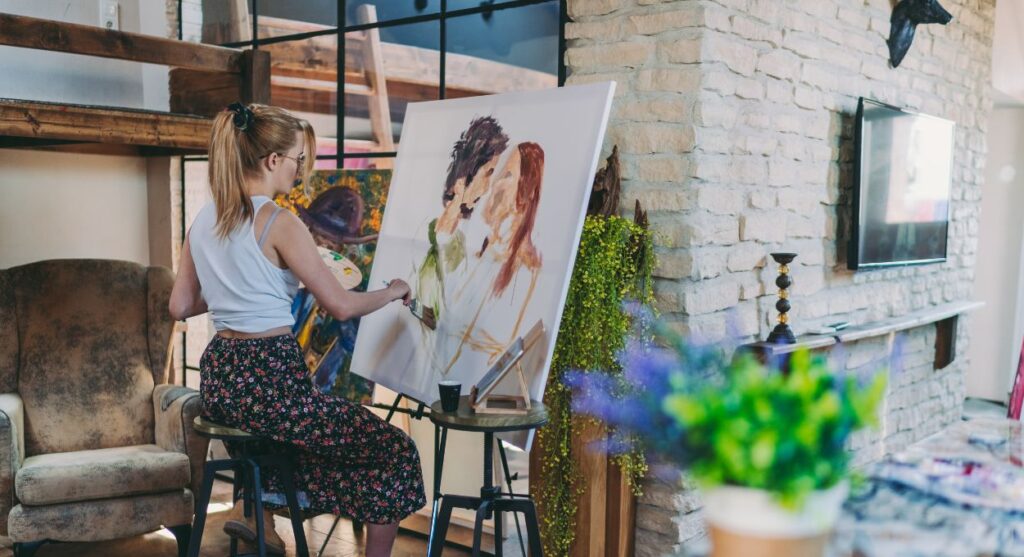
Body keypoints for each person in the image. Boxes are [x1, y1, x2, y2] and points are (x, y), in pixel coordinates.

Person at [169, 103, 425, 557]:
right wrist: (392, 291)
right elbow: (343, 306)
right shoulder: (279, 221)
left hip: (222, 381)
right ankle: (265, 519)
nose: (300, 169)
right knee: (395, 452)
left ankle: (259, 520)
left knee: (289, 445)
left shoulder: (205, 218)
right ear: (272, 161)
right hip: (270, 379)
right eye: (297, 160)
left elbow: (181, 304)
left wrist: (236, 286)